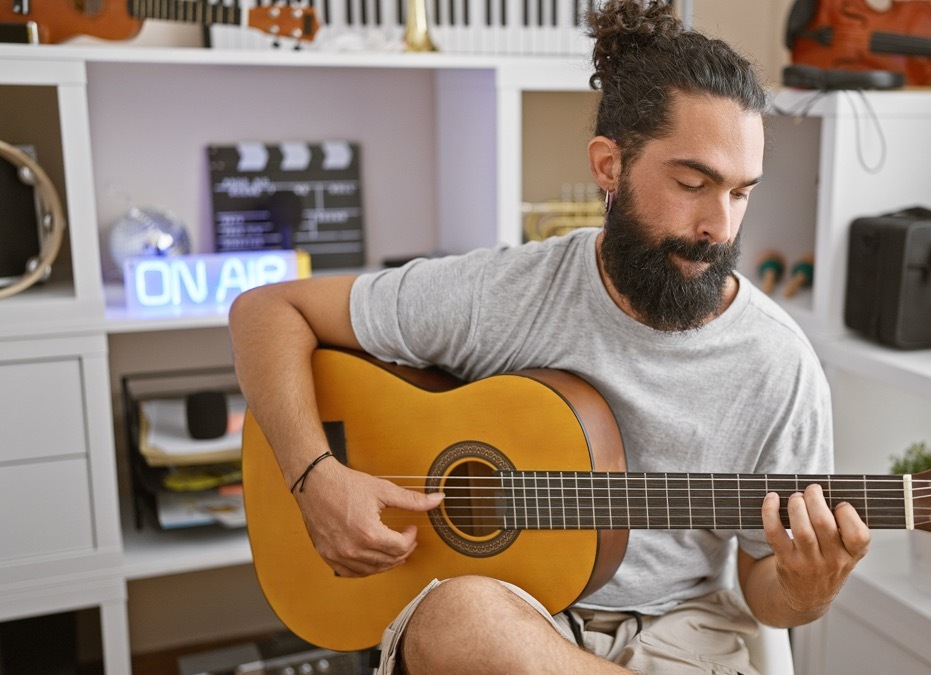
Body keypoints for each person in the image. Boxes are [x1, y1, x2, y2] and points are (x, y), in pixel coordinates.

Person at [229, 1, 870, 672]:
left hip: (681, 631)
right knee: (457, 617)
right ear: (608, 166)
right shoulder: (508, 291)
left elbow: (768, 590)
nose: (720, 225)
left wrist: (805, 587)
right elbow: (265, 313)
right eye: (692, 182)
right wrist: (313, 475)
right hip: (514, 618)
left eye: (742, 193)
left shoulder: (779, 365)